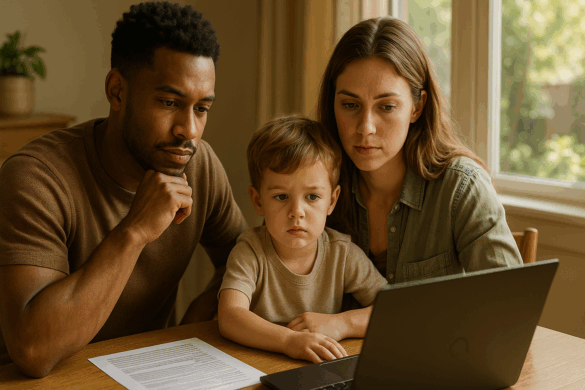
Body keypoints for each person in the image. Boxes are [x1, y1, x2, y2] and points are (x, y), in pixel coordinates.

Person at [0, 2, 247, 378]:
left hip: (149, 376)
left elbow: (252, 263)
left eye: (201, 108)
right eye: (169, 103)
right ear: (117, 92)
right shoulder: (36, 178)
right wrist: (134, 232)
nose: (189, 130)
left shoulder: (199, 164)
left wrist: (194, 321)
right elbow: (33, 350)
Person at [318, 16, 522, 290]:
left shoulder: (462, 187)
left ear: (417, 107)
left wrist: (350, 322)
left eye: (386, 107)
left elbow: (510, 301)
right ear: (333, 104)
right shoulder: (311, 180)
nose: (365, 128)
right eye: (350, 105)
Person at [217, 116, 389, 364]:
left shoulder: (343, 253)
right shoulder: (250, 251)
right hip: (259, 365)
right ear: (258, 201)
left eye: (312, 197)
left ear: (332, 200)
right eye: (281, 196)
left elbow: (391, 311)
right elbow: (230, 316)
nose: (297, 211)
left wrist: (341, 323)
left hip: (319, 368)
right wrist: (288, 341)